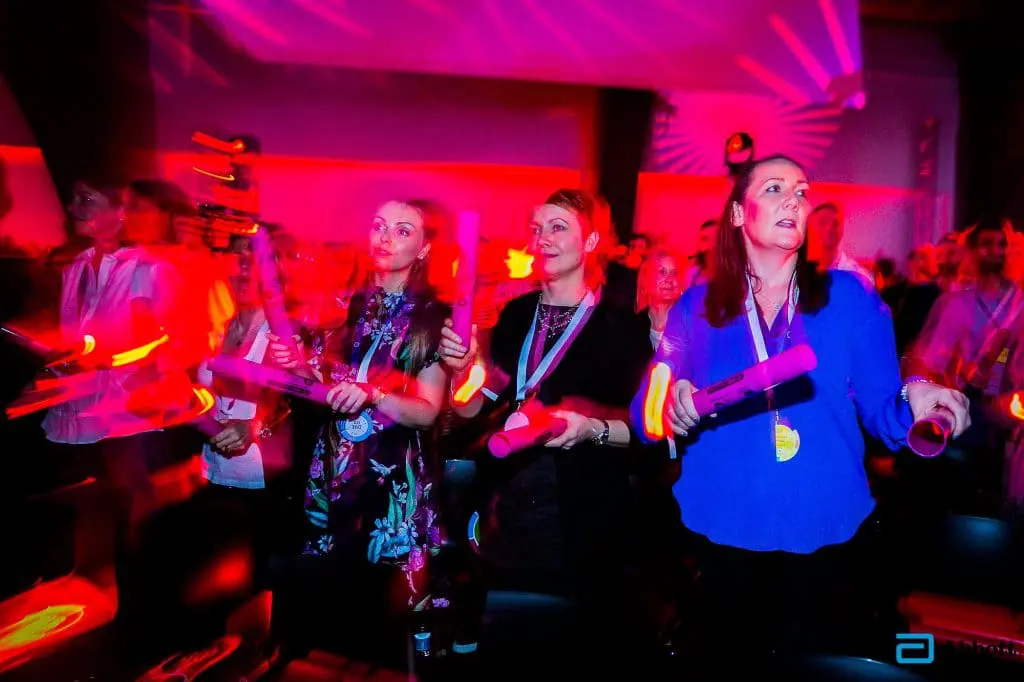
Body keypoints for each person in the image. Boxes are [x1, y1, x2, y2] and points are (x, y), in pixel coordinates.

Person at [629, 155, 971, 661]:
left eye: (802, 191)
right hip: (722, 533)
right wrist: (669, 397)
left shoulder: (850, 298)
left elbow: (886, 415)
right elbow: (645, 414)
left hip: (826, 531)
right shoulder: (695, 307)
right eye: (774, 188)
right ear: (738, 213)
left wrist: (918, 397)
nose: (793, 199)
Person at [439, 189, 652, 674]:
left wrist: (591, 428)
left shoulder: (621, 327)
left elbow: (646, 429)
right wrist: (462, 370)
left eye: (558, 227)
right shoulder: (515, 316)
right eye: (536, 229)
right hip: (509, 501)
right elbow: (476, 405)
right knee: (508, 642)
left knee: (569, 647)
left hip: (581, 509)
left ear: (591, 241)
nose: (542, 239)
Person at [265, 199, 450, 663]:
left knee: (384, 614)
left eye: (402, 230)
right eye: (378, 226)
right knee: (331, 603)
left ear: (424, 248)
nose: (385, 237)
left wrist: (374, 395)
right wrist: (299, 367)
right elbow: (327, 386)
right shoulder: (351, 305)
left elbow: (428, 412)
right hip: (335, 467)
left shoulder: (435, 316)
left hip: (393, 478)